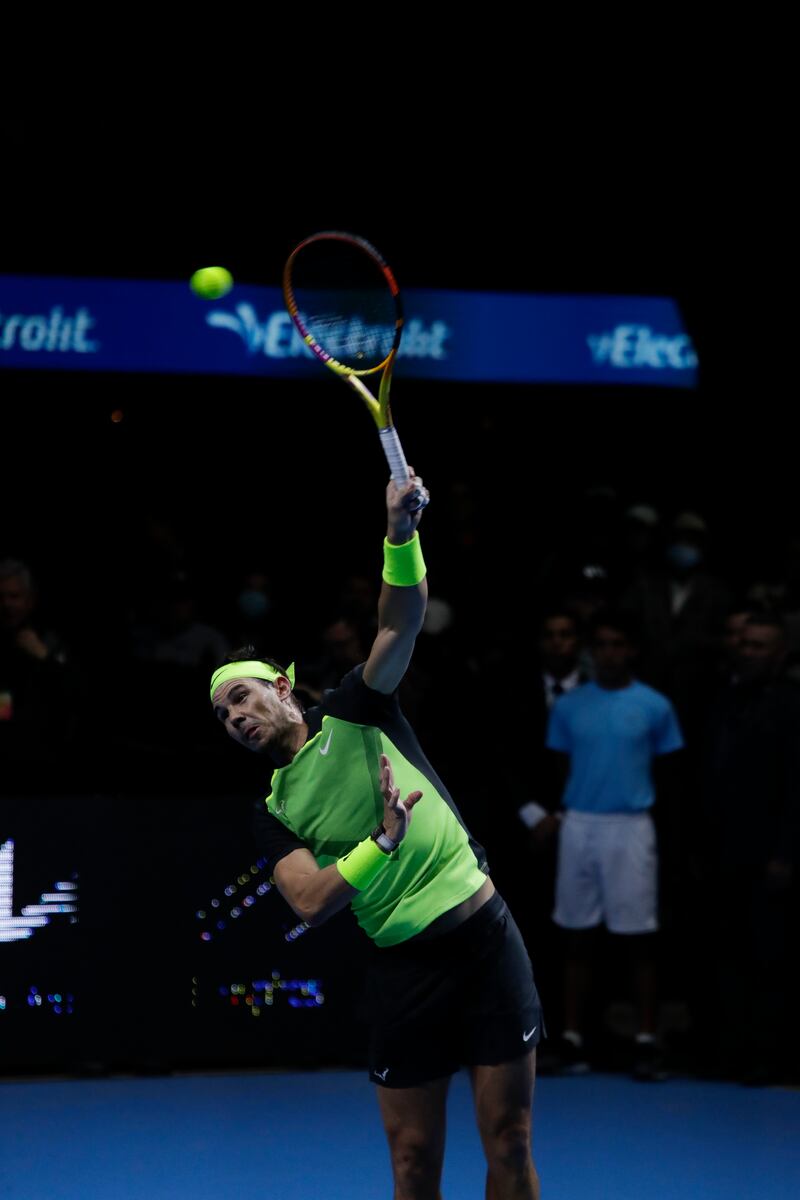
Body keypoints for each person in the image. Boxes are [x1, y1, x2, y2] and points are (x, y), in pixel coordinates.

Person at [210, 471, 543, 1200]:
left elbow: (401, 622)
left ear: (280, 686)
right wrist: (382, 842)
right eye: (223, 715)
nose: (234, 716)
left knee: (510, 1141)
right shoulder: (272, 808)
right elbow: (309, 902)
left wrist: (400, 533)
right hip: (405, 970)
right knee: (414, 1162)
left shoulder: (355, 709)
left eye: (240, 696)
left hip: (484, 939)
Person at [545, 610, 683, 1080]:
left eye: (617, 644)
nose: (609, 653)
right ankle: (572, 1039)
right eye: (601, 645)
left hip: (632, 826)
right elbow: (561, 768)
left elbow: (670, 775)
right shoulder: (569, 706)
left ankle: (645, 1039)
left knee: (639, 937)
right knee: (575, 934)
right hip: (579, 824)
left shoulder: (656, 706)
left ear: (632, 650)